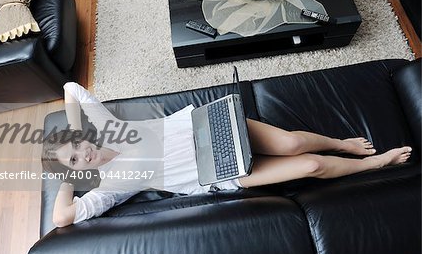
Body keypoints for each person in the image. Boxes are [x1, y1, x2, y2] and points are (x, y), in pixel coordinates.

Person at [43, 82, 412, 227]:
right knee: (310, 166)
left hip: (212, 125)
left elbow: (71, 88)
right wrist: (68, 180)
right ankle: (373, 162)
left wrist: (73, 126)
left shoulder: (107, 128)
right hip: (220, 172)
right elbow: (62, 218)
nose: (83, 154)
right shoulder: (110, 185)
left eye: (76, 146)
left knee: (293, 145)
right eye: (74, 160)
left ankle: (341, 143)